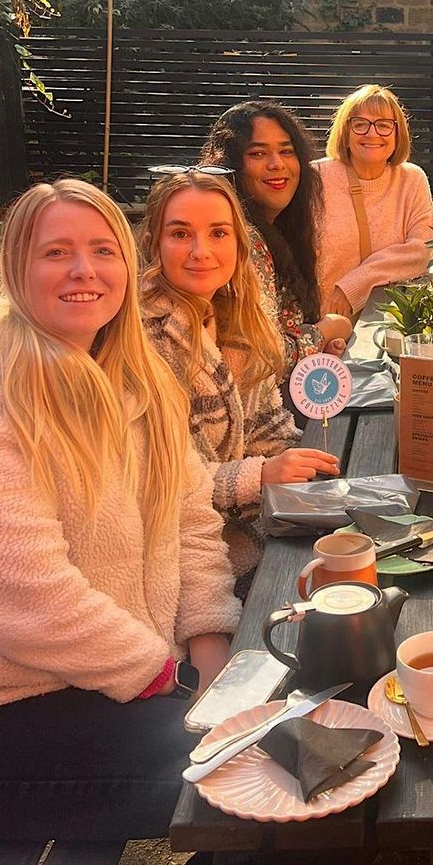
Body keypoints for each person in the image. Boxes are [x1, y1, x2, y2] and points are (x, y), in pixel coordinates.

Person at [0, 179, 240, 845]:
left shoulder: (138, 378)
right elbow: (30, 600)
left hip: (123, 677)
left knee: (291, 732)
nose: (85, 270)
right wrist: (174, 681)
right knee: (261, 778)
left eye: (103, 250)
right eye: (56, 252)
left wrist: (211, 648)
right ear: (15, 268)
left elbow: (191, 522)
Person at [139, 170, 340, 577]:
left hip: (251, 530)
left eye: (218, 233)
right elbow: (165, 485)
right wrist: (263, 476)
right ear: (153, 244)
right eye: (180, 234)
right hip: (185, 560)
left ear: (239, 243)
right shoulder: (145, 341)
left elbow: (265, 420)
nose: (201, 251)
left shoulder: (236, 317)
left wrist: (302, 465)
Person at [200, 100, 353, 375]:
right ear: (229, 164)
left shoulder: (283, 228)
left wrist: (317, 350)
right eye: (258, 153)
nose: (277, 164)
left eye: (286, 151)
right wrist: (326, 330)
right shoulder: (240, 238)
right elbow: (259, 358)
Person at [314, 84, 433, 317]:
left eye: (384, 125)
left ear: (397, 134)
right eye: (360, 124)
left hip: (389, 320)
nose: (372, 134)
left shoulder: (412, 180)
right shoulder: (317, 178)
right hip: (322, 321)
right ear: (345, 132)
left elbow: (421, 250)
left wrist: (353, 285)